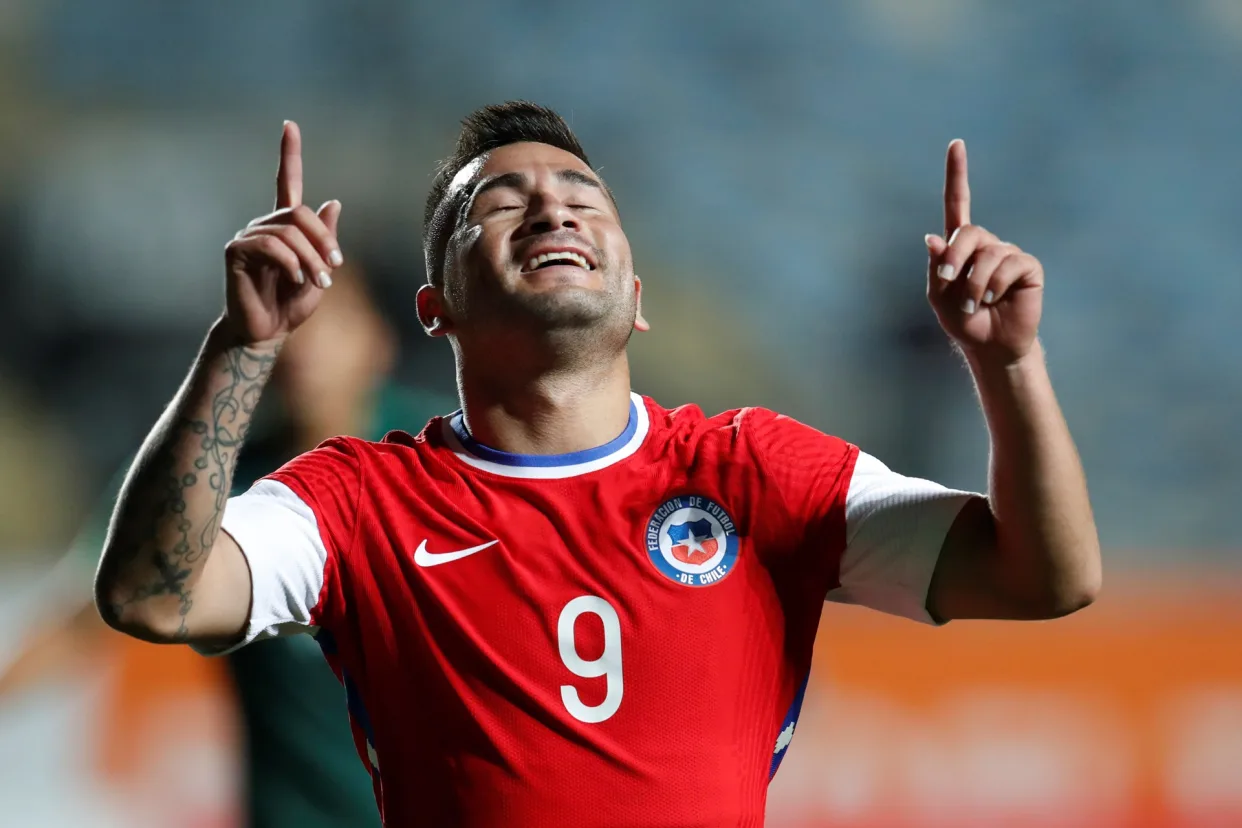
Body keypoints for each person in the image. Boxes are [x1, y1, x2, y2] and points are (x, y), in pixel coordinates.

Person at [93, 103, 1102, 827]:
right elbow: (154, 595)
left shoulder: (756, 472)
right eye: (501, 202)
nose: (554, 210)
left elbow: (1043, 577)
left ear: (637, 294)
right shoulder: (359, 499)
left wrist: (1009, 365)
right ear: (435, 308)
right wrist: (241, 348)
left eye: (583, 195)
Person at [5, 267, 447, 827]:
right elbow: (82, 620)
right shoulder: (204, 482)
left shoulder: (448, 459)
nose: (302, 345)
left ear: (377, 339)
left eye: (326, 322)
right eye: (286, 326)